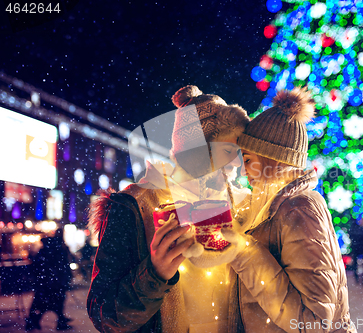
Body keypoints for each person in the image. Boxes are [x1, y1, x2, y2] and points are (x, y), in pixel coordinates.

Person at [86, 85, 250, 332]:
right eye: (228, 150)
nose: (238, 162)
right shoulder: (134, 206)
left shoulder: (244, 204)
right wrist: (154, 274)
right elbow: (105, 316)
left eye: (239, 152)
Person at [222, 88, 356, 332]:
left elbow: (314, 322)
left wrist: (246, 254)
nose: (243, 171)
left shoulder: (298, 209)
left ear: (272, 159)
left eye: (249, 159)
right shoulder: (274, 206)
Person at [25, 229, 73, 331]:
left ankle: (34, 321)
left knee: (45, 303)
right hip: (54, 282)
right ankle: (58, 321)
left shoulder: (46, 250)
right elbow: (64, 266)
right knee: (53, 303)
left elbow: (36, 266)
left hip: (46, 282)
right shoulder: (59, 250)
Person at [349, 219, 363, 286]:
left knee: (355, 264)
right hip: (362, 247)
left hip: (356, 248)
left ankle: (357, 280)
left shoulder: (351, 230)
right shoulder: (361, 228)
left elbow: (351, 237)